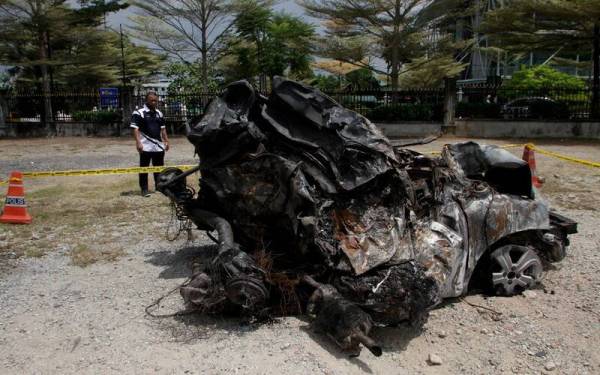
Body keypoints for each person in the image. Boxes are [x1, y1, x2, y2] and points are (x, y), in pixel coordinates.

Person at [130, 91, 170, 197]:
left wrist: (166, 141)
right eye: (151, 100)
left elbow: (163, 129)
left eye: (155, 100)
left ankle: (159, 187)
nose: (154, 102)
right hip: (145, 146)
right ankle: (144, 189)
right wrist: (138, 142)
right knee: (144, 169)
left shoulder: (159, 113)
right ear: (146, 100)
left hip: (158, 147)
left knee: (159, 168)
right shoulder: (139, 113)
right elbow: (135, 129)